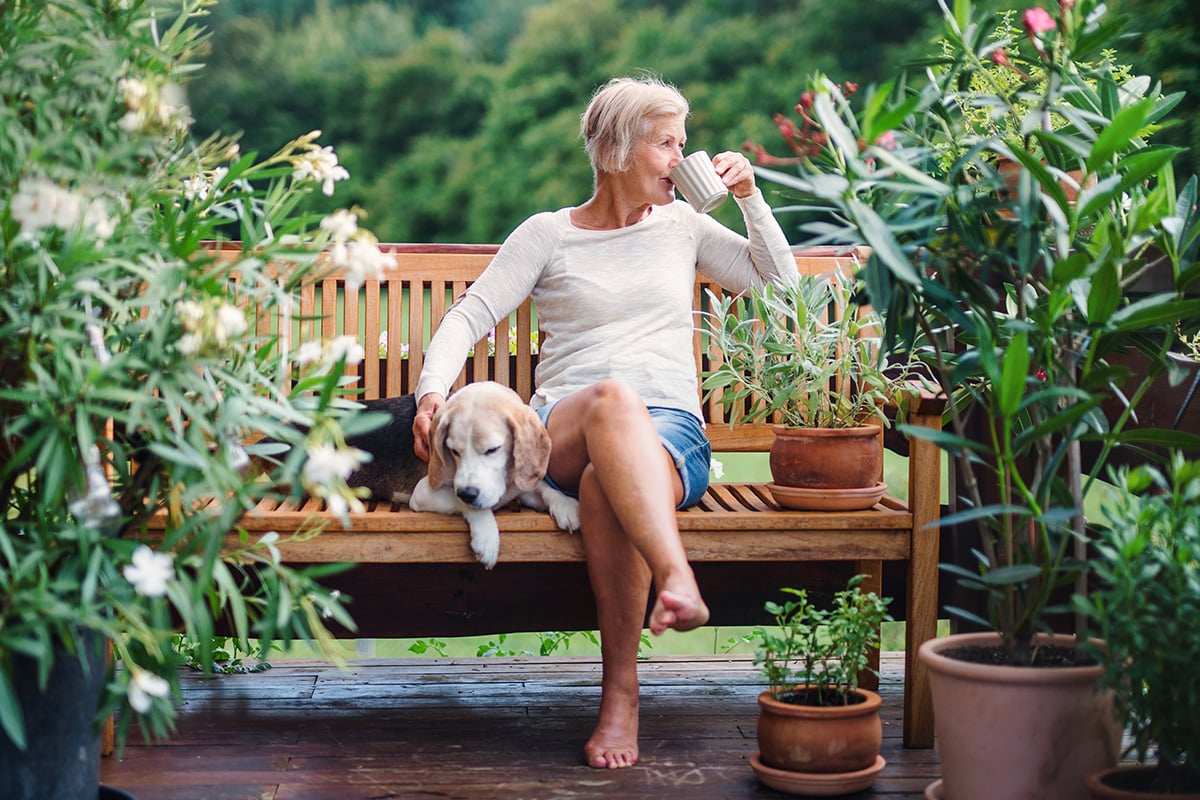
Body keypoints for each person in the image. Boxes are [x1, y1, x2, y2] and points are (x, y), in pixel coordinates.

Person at [412, 75, 797, 770]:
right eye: (666, 144)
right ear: (618, 150)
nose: (682, 160)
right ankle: (677, 577)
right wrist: (430, 393)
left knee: (601, 489)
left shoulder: (684, 227)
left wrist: (750, 197)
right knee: (613, 399)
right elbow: (470, 315)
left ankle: (621, 696)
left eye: (684, 144)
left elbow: (782, 291)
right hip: (563, 425)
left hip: (671, 433)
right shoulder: (547, 235)